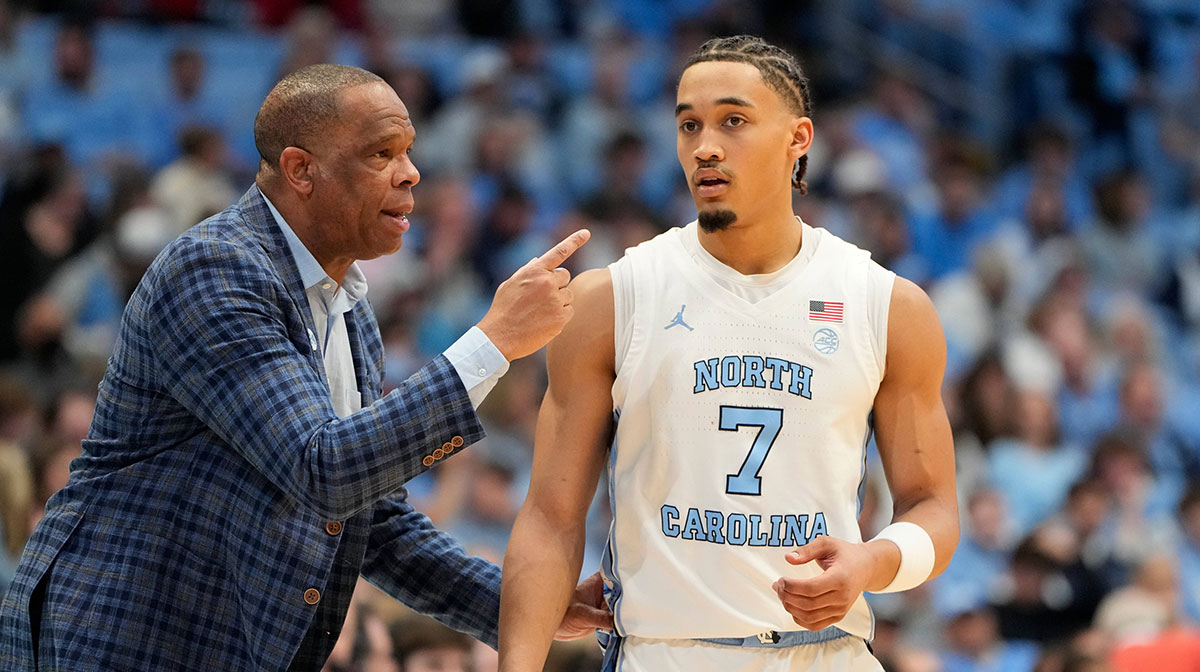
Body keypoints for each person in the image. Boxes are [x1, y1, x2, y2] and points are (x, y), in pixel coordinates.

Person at [0, 64, 610, 671]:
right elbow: (322, 469)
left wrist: (524, 605)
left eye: (408, 151)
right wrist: (492, 342)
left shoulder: (348, 310)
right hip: (123, 640)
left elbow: (371, 520)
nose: (411, 172)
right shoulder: (215, 269)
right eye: (381, 153)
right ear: (301, 169)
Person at [498, 35, 959, 671]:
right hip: (663, 653)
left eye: (733, 121)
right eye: (689, 124)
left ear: (799, 139)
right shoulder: (611, 299)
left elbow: (933, 508)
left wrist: (873, 561)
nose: (705, 146)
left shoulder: (888, 306)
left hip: (825, 654)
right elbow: (550, 518)